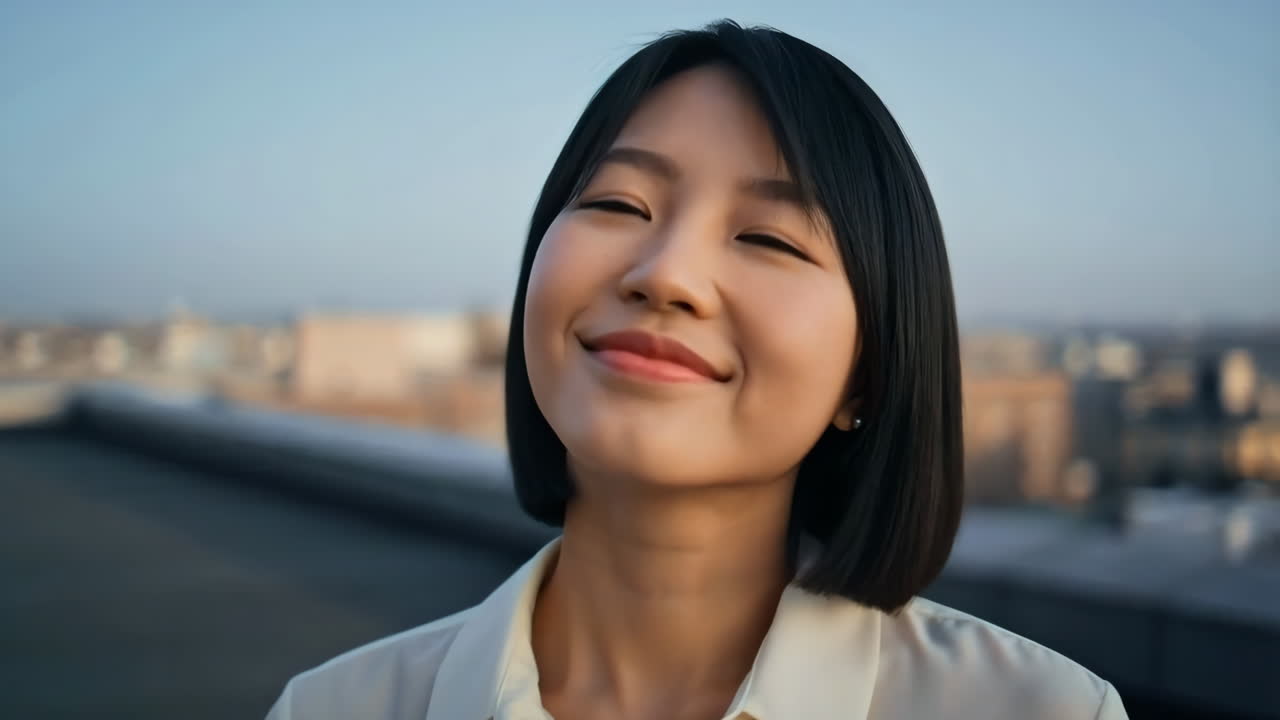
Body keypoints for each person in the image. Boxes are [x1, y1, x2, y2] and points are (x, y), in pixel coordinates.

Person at [266, 20, 1128, 720]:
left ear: (866, 377)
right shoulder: (336, 708)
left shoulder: (1038, 712)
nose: (666, 274)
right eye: (616, 204)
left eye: (767, 238)